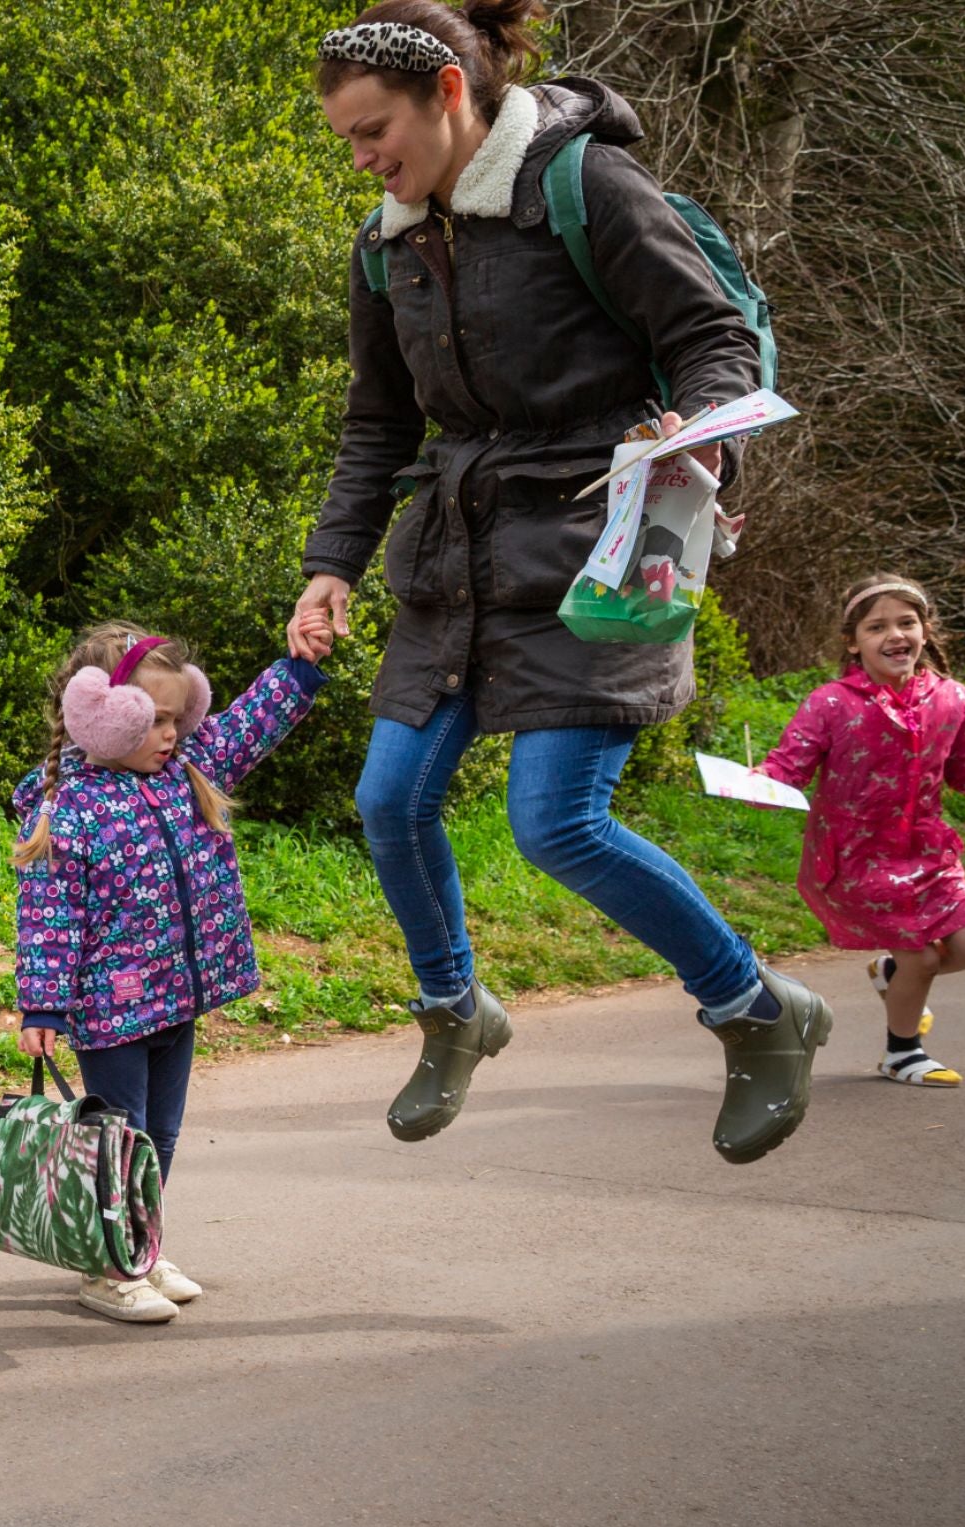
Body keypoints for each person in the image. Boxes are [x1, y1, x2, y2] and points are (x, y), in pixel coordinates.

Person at [291, 0, 830, 1163]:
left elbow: (712, 337)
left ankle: (758, 1013)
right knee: (390, 800)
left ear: (448, 92)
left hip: (607, 545)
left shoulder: (586, 185)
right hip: (459, 557)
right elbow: (375, 424)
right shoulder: (386, 244)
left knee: (555, 823)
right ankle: (455, 1010)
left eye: (372, 129)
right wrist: (329, 565)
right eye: (346, 139)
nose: (362, 156)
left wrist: (704, 437)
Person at [11, 625, 326, 1323]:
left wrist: (298, 669)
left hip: (176, 1000)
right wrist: (42, 1007)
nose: (170, 734)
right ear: (101, 715)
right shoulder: (72, 809)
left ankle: (136, 1246)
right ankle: (107, 1266)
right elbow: (48, 917)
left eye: (179, 717)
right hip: (110, 1011)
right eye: (153, 719)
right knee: (122, 1137)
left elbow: (251, 722)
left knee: (162, 1137)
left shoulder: (189, 767)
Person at [754, 576, 965, 1085]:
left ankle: (893, 976)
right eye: (877, 626)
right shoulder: (830, 703)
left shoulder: (953, 699)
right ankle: (902, 1052)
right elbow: (789, 766)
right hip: (856, 857)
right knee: (920, 955)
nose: (895, 635)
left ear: (925, 630)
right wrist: (758, 781)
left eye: (906, 622)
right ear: (854, 641)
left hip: (928, 852)